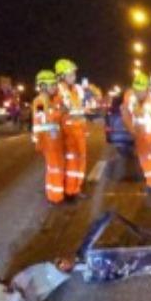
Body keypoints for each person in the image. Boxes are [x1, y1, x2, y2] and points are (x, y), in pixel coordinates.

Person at [121, 72, 151, 194]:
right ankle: (150, 183)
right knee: (145, 162)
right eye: (136, 90)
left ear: (148, 89)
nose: (138, 93)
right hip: (141, 139)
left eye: (141, 90)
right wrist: (132, 131)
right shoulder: (130, 99)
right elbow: (126, 115)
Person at [54, 58, 88, 200]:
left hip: (79, 131)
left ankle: (76, 188)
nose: (73, 77)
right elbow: (55, 114)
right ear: (61, 76)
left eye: (74, 74)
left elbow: (78, 110)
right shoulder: (58, 92)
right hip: (68, 134)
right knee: (71, 164)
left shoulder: (75, 90)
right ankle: (69, 191)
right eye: (70, 74)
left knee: (80, 162)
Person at [30, 70, 65, 204]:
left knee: (56, 168)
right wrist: (58, 114)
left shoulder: (48, 101)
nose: (55, 87)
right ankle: (55, 197)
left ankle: (56, 195)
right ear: (43, 86)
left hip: (53, 140)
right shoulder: (39, 101)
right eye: (52, 85)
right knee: (54, 168)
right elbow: (41, 121)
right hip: (48, 141)